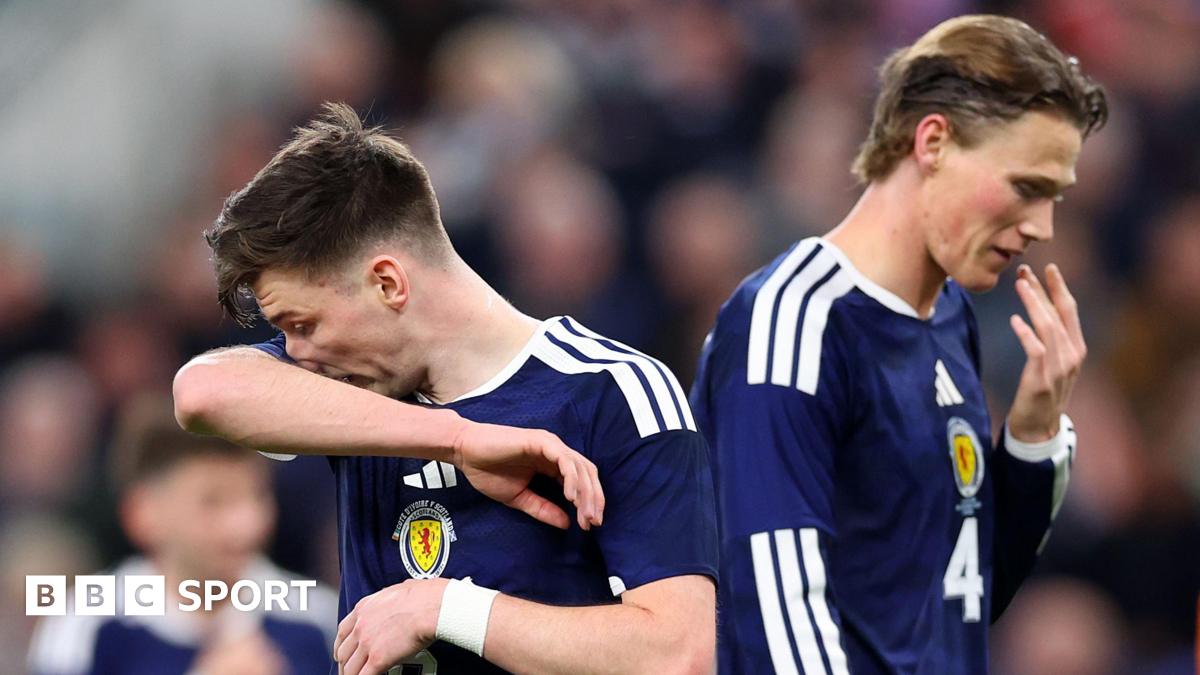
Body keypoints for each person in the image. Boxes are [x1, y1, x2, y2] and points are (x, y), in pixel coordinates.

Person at [172, 104, 717, 674]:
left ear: (388, 283)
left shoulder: (610, 391)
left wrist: (449, 609)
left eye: (303, 325)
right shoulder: (356, 392)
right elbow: (201, 392)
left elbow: (679, 654)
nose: (297, 353)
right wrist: (457, 439)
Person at [689, 14, 1107, 674]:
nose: (1042, 226)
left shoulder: (950, 316)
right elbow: (773, 611)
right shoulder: (793, 320)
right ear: (933, 141)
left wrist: (1034, 438)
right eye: (1027, 187)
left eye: (1054, 197)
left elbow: (960, 600)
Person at [28, 395, 338, 675]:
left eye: (258, 496)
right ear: (143, 514)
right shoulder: (88, 626)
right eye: (213, 501)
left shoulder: (318, 619)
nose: (246, 524)